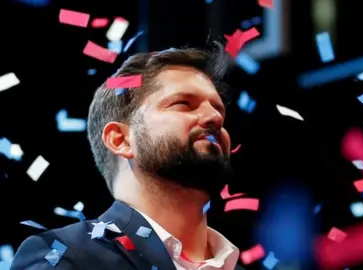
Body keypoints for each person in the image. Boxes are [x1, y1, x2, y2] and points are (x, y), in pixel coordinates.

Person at [10, 44, 242, 270]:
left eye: (218, 109)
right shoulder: (64, 255)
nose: (214, 117)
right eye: (183, 104)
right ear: (120, 140)